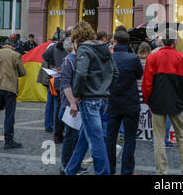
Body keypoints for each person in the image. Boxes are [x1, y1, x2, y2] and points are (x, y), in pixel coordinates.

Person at [65, 22, 119, 175]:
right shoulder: (104, 47)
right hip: (103, 99)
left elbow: (81, 74)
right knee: (85, 137)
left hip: (89, 99)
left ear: (77, 38)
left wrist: (76, 95)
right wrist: (106, 89)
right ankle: (71, 170)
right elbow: (115, 72)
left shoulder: (84, 49)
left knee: (96, 142)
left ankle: (103, 173)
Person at [141, 27, 183, 175]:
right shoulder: (182, 58)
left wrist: (148, 101)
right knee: (181, 136)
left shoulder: (152, 58)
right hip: (176, 101)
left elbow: (147, 84)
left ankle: (162, 172)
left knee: (158, 138)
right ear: (175, 41)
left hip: (157, 101)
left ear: (162, 41)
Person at [106, 30, 143, 175]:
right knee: (130, 137)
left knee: (111, 137)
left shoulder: (109, 57)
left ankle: (110, 168)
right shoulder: (133, 58)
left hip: (113, 101)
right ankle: (127, 170)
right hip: (130, 102)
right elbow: (139, 74)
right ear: (127, 43)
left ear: (115, 42)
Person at [58, 36, 88, 175]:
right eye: (77, 42)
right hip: (70, 104)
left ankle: (74, 163)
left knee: (76, 136)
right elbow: (65, 83)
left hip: (78, 103)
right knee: (70, 136)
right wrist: (72, 103)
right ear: (71, 45)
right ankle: (66, 164)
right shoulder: (68, 61)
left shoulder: (77, 60)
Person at [43, 28, 68, 144]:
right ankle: (65, 133)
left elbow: (45, 56)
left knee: (59, 107)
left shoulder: (53, 47)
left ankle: (58, 134)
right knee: (67, 108)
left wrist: (54, 64)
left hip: (58, 81)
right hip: (68, 81)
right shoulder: (71, 46)